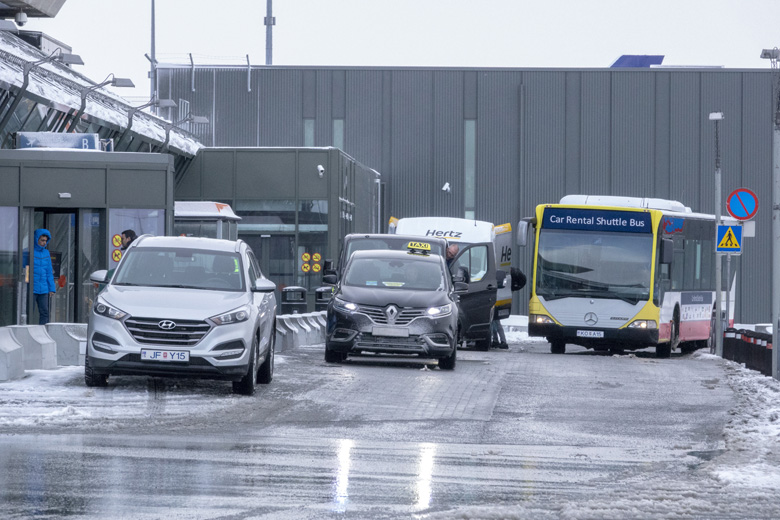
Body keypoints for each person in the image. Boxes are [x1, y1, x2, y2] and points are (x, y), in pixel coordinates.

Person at [491, 266, 527, 350]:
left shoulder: (506, 275)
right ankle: (497, 340)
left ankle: (501, 341)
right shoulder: (510, 276)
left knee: (495, 320)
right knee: (494, 320)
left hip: (498, 296)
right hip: (501, 295)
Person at [32, 228, 56, 325]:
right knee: (29, 311)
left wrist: (51, 288)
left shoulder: (46, 253)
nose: (44, 243)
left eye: (45, 241)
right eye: (42, 240)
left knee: (45, 312)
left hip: (44, 289)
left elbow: (49, 272)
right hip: (32, 289)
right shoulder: (29, 251)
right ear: (36, 239)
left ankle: (42, 332)